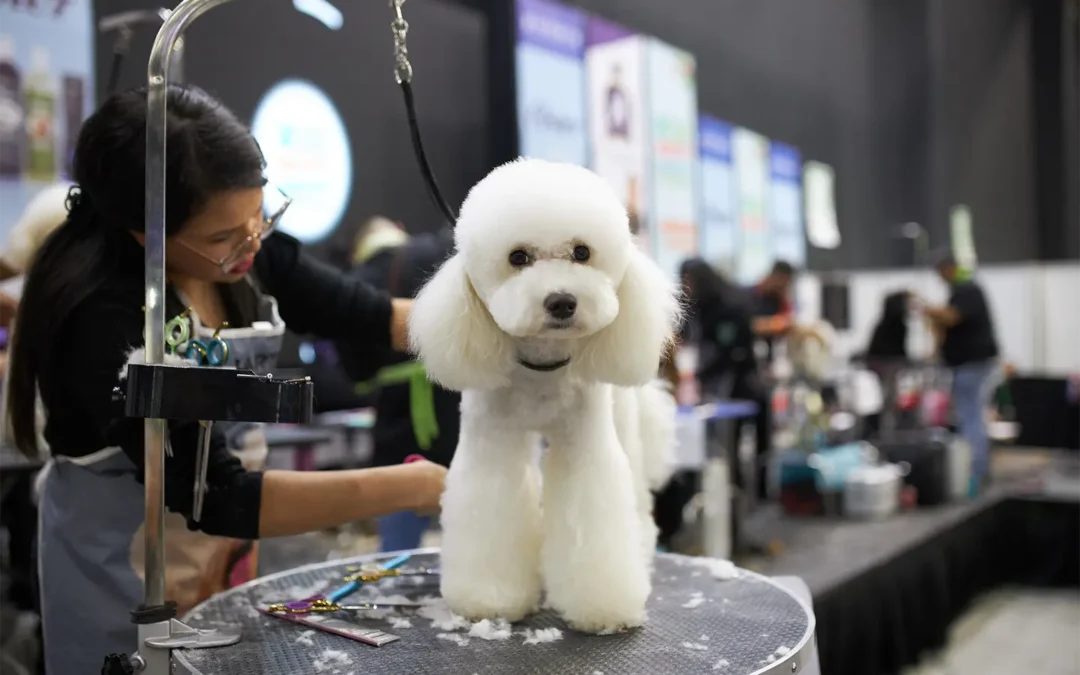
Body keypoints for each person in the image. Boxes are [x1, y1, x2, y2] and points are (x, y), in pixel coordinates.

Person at [6, 84, 447, 674]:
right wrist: (419, 486)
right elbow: (216, 495)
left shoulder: (245, 249)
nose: (252, 243)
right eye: (223, 237)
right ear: (145, 230)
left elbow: (369, 314)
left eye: (261, 217)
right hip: (121, 577)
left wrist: (506, 329)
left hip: (222, 563)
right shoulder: (103, 318)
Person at [338, 216, 460, 552]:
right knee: (471, 529)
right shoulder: (438, 255)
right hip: (458, 411)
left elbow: (356, 372)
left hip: (396, 426)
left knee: (397, 543)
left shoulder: (356, 282)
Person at [678, 258, 767, 498]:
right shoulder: (698, 307)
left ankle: (738, 495)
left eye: (689, 280)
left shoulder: (729, 307)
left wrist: (701, 374)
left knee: (731, 445)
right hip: (713, 381)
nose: (685, 285)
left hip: (737, 382)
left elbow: (731, 353)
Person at [921, 253, 999, 491]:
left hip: (972, 364)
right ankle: (976, 469)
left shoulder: (967, 290)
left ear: (949, 268)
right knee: (970, 414)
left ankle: (975, 471)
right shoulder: (960, 291)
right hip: (966, 364)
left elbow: (951, 317)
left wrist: (926, 308)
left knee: (970, 415)